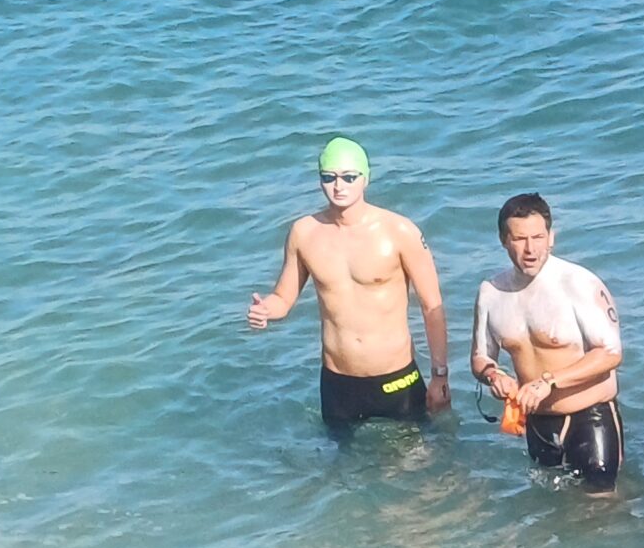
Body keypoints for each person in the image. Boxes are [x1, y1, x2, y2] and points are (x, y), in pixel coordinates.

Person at [247, 137, 451, 432]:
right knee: (341, 474)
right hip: (337, 381)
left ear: (365, 179)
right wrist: (266, 309)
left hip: (396, 377)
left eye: (348, 177)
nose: (338, 186)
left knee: (414, 470)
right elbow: (283, 297)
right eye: (328, 177)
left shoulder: (399, 231)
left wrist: (439, 376)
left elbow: (432, 306)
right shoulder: (304, 233)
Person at [468, 194, 625, 490]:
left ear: (551, 238)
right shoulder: (491, 292)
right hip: (538, 425)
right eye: (520, 239)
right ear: (504, 240)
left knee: (602, 513)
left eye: (539, 237)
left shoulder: (578, 283)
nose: (531, 249)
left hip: (590, 416)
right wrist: (494, 375)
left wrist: (549, 381)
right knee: (551, 516)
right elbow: (480, 357)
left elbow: (610, 354)